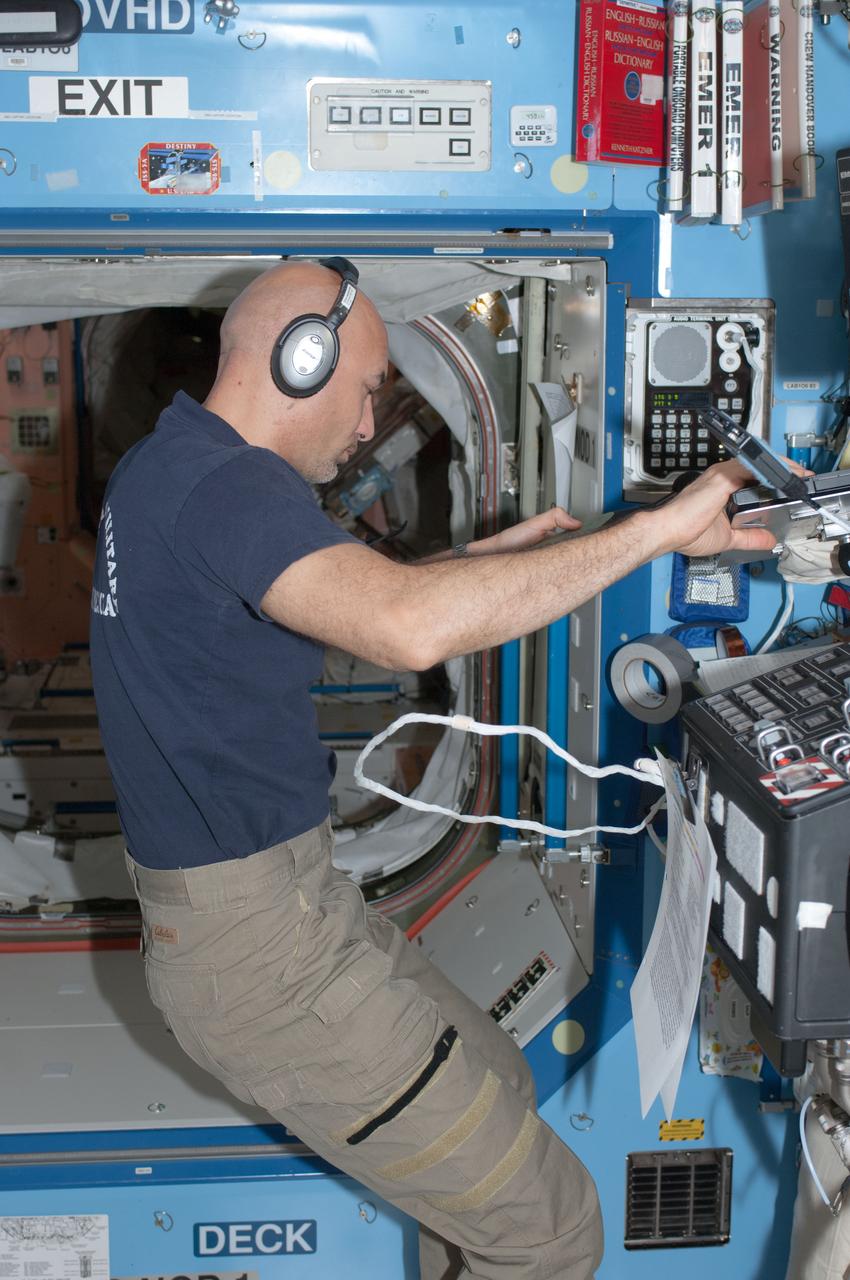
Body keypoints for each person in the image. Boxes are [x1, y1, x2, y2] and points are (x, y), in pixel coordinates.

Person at [89, 260, 777, 1280]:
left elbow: (339, 607)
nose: (368, 426)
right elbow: (403, 629)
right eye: (367, 389)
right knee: (552, 1233)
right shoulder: (228, 486)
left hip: (280, 914)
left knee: (498, 1079)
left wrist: (487, 563)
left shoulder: (175, 468)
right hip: (261, 954)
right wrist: (649, 535)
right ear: (300, 360)